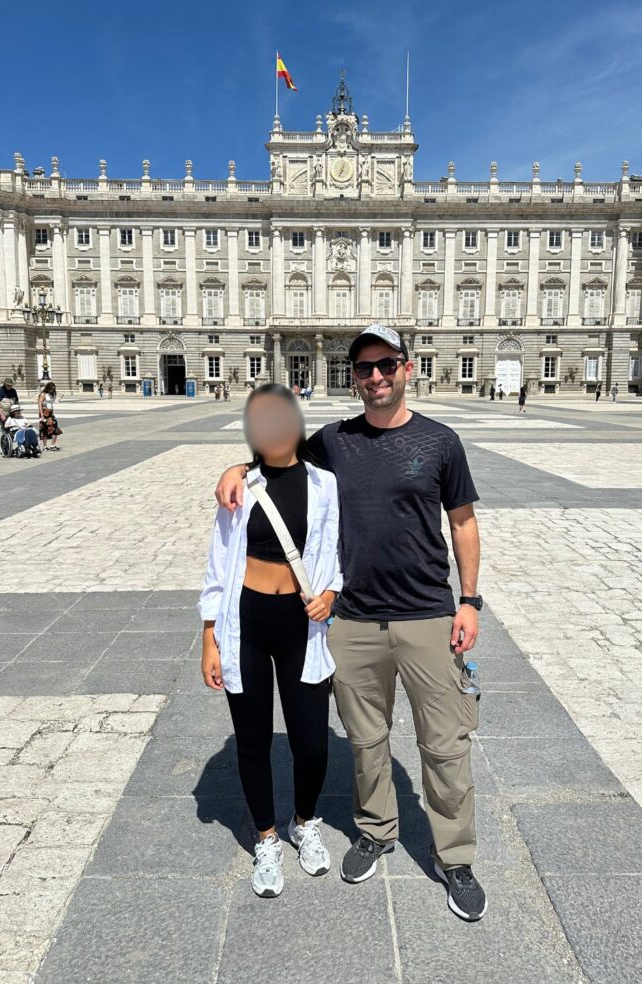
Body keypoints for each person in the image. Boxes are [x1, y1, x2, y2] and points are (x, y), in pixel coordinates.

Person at [215, 324, 487, 921]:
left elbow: (463, 523)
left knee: (444, 745)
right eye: (364, 368)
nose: (375, 377)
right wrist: (238, 466)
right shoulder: (334, 440)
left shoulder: (441, 442)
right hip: (354, 621)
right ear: (355, 376)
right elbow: (277, 458)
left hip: (427, 615)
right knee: (367, 742)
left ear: (406, 368)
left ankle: (456, 858)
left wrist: (470, 601)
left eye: (386, 364)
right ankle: (375, 830)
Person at [199, 384, 343, 899]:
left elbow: (335, 553)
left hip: (303, 621)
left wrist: (330, 592)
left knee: (312, 741)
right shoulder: (240, 487)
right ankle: (265, 837)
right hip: (247, 621)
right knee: (253, 739)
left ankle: (304, 822)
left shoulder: (325, 484)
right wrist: (210, 638)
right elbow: (219, 565)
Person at [38, 382, 62, 451]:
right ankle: (45, 446)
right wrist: (41, 414)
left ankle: (53, 445)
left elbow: (51, 404)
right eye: (51, 389)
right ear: (48, 388)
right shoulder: (43, 394)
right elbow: (39, 404)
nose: (52, 390)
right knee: (44, 428)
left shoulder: (51, 394)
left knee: (54, 427)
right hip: (44, 412)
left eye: (53, 389)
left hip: (50, 413)